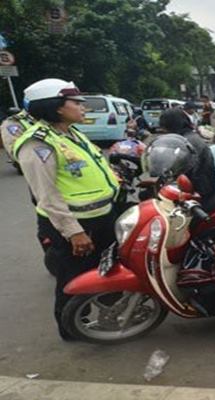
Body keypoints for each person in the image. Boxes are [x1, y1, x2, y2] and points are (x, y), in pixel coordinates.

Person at [12, 78, 119, 341]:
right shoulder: (37, 143)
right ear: (57, 106)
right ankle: (73, 330)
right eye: (76, 102)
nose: (83, 107)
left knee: (106, 270)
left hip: (102, 217)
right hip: (75, 225)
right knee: (72, 280)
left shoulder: (71, 132)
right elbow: (46, 195)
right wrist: (74, 232)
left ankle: (109, 317)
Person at [158, 108, 215, 199]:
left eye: (164, 127)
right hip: (199, 185)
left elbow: (184, 168)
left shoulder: (186, 142)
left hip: (199, 190)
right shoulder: (187, 136)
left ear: (171, 125)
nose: (163, 131)